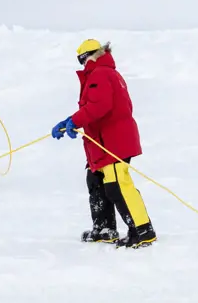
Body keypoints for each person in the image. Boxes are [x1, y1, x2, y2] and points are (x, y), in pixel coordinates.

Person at [52, 39, 157, 249]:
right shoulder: (107, 73)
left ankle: (142, 230)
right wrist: (71, 121)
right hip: (103, 142)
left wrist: (75, 121)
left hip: (112, 142)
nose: (83, 65)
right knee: (96, 180)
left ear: (88, 56)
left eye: (82, 60)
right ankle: (104, 228)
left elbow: (99, 106)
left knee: (117, 185)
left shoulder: (99, 73)